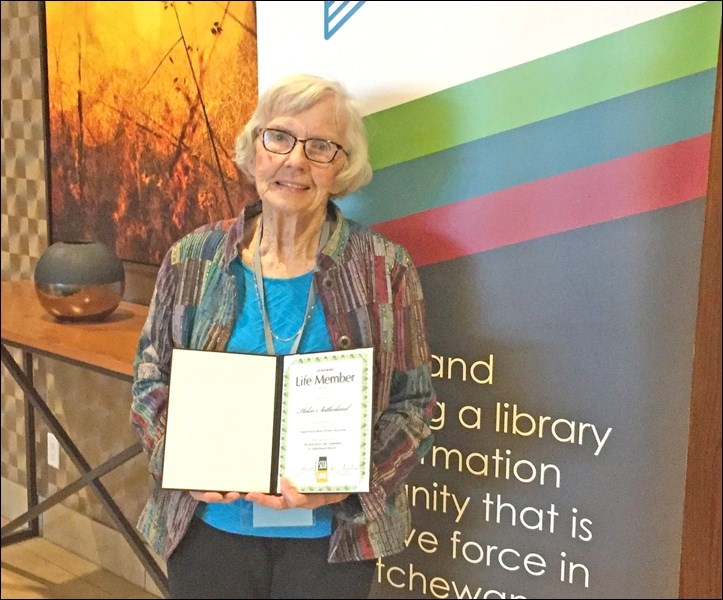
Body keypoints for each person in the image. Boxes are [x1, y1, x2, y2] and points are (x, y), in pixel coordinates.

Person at [130, 73, 437, 599]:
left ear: (341, 168)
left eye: (320, 146)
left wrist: (349, 481)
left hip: (332, 541)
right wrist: (177, 457)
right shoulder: (192, 259)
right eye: (279, 138)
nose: (295, 160)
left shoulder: (386, 270)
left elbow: (414, 406)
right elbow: (149, 380)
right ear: (254, 153)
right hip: (208, 533)